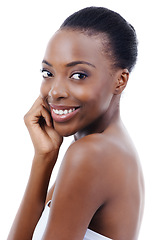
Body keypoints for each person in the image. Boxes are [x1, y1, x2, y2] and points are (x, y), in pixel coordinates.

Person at [7, 6, 144, 240]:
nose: (55, 91)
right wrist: (44, 157)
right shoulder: (110, 147)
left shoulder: (90, 154)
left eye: (78, 75)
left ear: (120, 81)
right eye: (48, 73)